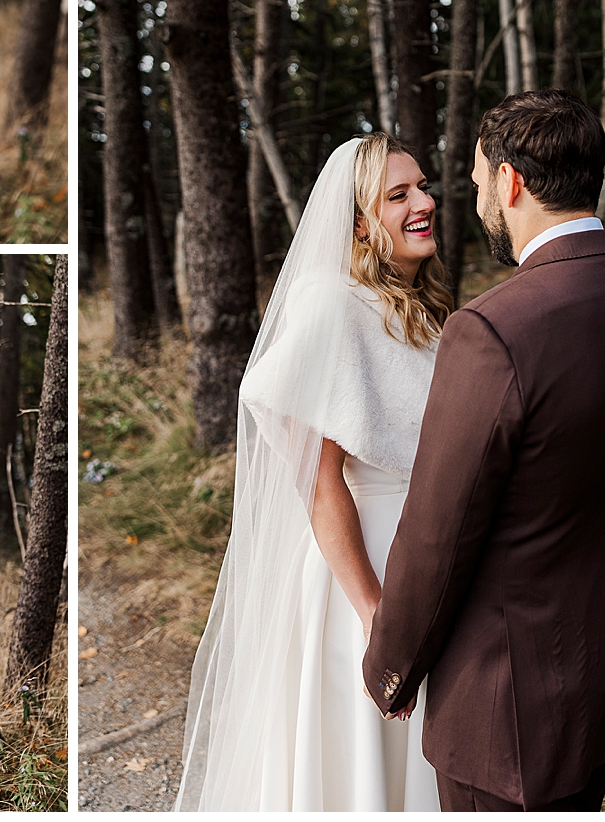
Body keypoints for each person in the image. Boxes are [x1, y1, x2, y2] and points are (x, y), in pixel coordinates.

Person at [363, 89, 605, 810]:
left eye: (482, 181)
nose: (479, 196)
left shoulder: (492, 329)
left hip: (505, 697)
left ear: (511, 183)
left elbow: (437, 535)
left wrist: (392, 670)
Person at [178, 133, 451, 811]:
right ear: (359, 222)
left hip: (424, 562)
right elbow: (317, 477)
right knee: (361, 762)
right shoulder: (331, 303)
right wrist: (372, 612)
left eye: (423, 185)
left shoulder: (427, 314)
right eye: (399, 195)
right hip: (359, 570)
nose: (425, 202)